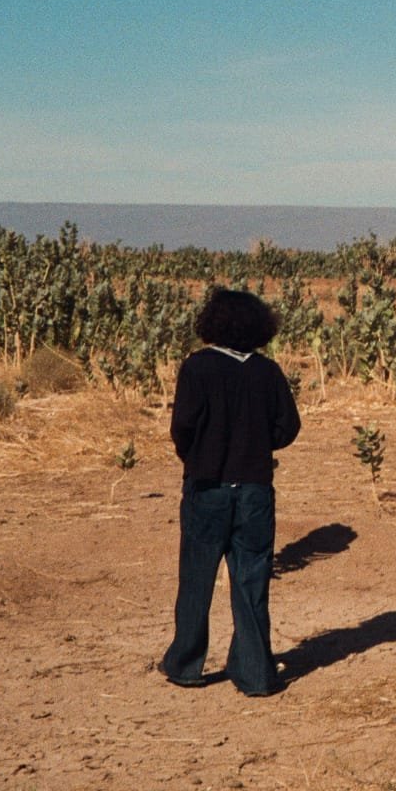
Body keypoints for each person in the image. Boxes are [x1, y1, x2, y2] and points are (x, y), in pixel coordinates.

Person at [160, 288, 301, 697]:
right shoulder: (268, 372)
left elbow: (182, 426)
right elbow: (288, 427)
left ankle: (186, 664)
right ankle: (256, 674)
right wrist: (257, 445)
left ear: (212, 323)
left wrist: (197, 455)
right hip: (256, 489)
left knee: (196, 580)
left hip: (206, 488)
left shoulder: (198, 368)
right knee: (251, 582)